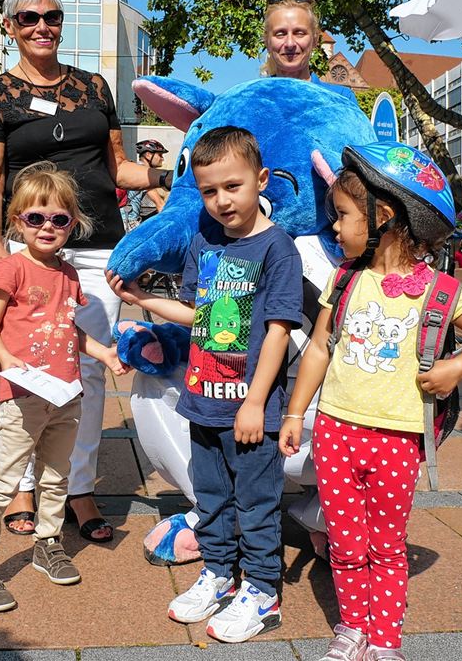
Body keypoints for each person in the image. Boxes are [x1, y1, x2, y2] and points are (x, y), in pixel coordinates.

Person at [280, 143, 462, 661]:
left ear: (382, 217)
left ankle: (385, 640)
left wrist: (456, 367)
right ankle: (352, 627)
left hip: (399, 439)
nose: (334, 227)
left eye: (342, 216)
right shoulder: (347, 278)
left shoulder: (439, 291)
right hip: (336, 431)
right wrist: (295, 412)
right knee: (345, 541)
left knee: (386, 544)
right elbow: (318, 347)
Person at [0, 0, 169, 543]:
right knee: (28, 369)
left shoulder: (94, 88)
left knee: (88, 371)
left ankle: (76, 487)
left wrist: (170, 177)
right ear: (11, 26)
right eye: (28, 17)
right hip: (29, 249)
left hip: (100, 245)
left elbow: (118, 168)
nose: (41, 26)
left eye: (51, 17)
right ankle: (23, 487)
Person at [107, 126, 303, 643]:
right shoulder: (203, 241)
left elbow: (280, 330)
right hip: (203, 402)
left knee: (256, 503)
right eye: (210, 190)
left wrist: (257, 402)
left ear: (260, 180)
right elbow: (198, 315)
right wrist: (142, 298)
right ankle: (218, 573)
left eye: (233, 187)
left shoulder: (277, 249)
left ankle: (262, 590)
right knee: (211, 498)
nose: (222, 200)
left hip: (250, 410)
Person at [0, 164, 127, 611]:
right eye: (36, 218)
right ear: (17, 221)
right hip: (21, 396)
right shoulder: (11, 268)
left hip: (65, 394)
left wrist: (103, 353)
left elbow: (70, 330)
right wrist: (6, 359)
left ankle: (47, 544)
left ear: (73, 224)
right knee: (3, 480)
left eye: (59, 219)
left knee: (56, 478)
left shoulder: (69, 274)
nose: (47, 227)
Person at [263, 0, 357, 100]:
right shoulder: (251, 99)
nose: (290, 43)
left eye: (299, 33)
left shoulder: (341, 99)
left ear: (315, 40)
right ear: (267, 42)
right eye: (280, 34)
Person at [127, 138, 170, 223]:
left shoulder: (136, 169)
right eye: (160, 155)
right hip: (131, 224)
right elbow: (160, 204)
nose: (162, 159)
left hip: (129, 219)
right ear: (148, 155)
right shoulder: (143, 173)